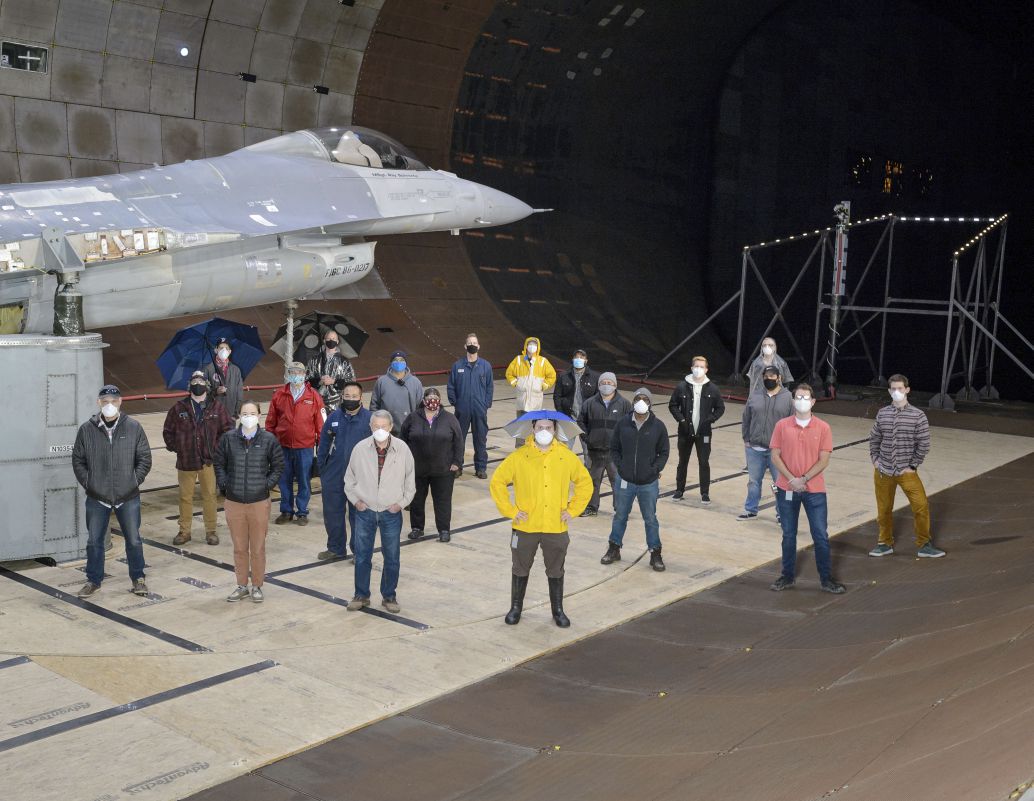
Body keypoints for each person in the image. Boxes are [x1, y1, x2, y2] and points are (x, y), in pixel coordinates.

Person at [490, 416, 593, 627]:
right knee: (520, 567)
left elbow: (585, 483)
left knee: (556, 569)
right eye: (540, 427)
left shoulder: (566, 457)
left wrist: (572, 510)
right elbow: (498, 481)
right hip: (525, 526)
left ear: (555, 430)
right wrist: (510, 510)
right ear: (533, 429)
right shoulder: (520, 457)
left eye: (548, 427)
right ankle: (516, 607)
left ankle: (558, 610)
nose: (544, 431)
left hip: (555, 526)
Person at [73, 384, 153, 598]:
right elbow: (78, 460)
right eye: (105, 401)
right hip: (97, 497)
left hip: (127, 497)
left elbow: (144, 457)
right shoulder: (86, 429)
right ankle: (93, 580)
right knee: (94, 541)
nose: (110, 405)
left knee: (134, 539)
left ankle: (138, 578)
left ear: (120, 402)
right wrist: (90, 483)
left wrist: (133, 481)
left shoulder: (133, 427)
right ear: (99, 402)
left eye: (114, 401)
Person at [769, 383, 845, 593]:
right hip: (787, 488)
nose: (801, 401)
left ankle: (826, 578)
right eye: (798, 397)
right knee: (788, 534)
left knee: (820, 534)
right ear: (793, 401)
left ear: (813, 402)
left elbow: (824, 459)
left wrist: (803, 478)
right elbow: (775, 455)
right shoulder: (782, 426)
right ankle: (787, 576)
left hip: (815, 491)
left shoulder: (823, 427)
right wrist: (791, 479)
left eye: (805, 398)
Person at [344, 410, 416, 614]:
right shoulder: (360, 449)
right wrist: (356, 501)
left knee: (392, 556)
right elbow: (349, 480)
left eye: (384, 427)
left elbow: (410, 482)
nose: (380, 431)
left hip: (391, 512)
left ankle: (389, 596)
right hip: (365, 511)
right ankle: (361, 595)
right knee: (362, 556)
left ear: (391, 427)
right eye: (376, 427)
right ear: (370, 427)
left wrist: (401, 504)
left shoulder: (402, 450)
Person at [214, 402, 285, 602]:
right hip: (234, 501)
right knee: (239, 547)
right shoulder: (228, 439)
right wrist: (225, 484)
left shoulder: (269, 439)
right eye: (245, 413)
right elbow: (219, 463)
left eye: (252, 413)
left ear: (259, 415)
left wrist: (266, 485)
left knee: (258, 547)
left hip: (259, 502)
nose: (248, 416)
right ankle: (241, 585)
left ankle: (257, 585)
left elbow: (278, 465)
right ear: (238, 416)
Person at [868, 374, 944, 558]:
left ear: (907, 390)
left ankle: (924, 544)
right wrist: (875, 459)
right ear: (889, 391)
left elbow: (924, 444)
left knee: (921, 506)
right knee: (884, 509)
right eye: (893, 389)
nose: (896, 392)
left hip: (906, 471)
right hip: (883, 470)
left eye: (900, 388)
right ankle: (884, 543)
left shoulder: (918, 416)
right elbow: (875, 437)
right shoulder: (882, 413)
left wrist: (913, 465)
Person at [600, 387, 670, 572]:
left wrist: (654, 469)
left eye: (644, 399)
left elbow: (664, 452)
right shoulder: (623, 423)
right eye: (637, 398)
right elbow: (614, 448)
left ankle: (655, 553)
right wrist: (621, 467)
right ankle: (614, 548)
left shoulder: (658, 426)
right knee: (620, 516)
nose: (640, 401)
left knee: (650, 519)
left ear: (650, 403)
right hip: (625, 480)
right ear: (633, 402)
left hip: (648, 482)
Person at [163, 371, 233, 546]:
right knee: (185, 497)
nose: (197, 383)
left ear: (207, 386)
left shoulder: (217, 407)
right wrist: (178, 448)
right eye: (194, 380)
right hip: (186, 461)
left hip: (208, 461)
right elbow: (168, 431)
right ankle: (184, 531)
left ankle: (211, 531)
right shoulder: (179, 408)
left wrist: (217, 451)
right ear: (189, 385)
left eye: (201, 380)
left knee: (209, 495)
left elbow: (227, 430)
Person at [316, 381, 372, 560]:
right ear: (342, 396)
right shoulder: (333, 417)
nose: (350, 399)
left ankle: (359, 552)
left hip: (359, 478)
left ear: (361, 398)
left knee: (359, 516)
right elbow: (323, 444)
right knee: (332, 513)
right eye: (347, 396)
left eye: (354, 396)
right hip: (334, 475)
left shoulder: (369, 420)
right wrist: (323, 471)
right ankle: (335, 548)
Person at [401, 388, 463, 542]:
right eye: (429, 397)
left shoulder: (450, 419)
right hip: (417, 469)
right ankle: (417, 528)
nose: (432, 400)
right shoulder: (412, 418)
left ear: (440, 400)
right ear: (423, 400)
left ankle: (444, 530)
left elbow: (459, 441)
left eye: (435, 397)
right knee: (416, 500)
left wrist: (457, 462)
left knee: (442, 501)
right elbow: (402, 440)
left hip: (443, 470)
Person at [265, 361, 324, 525]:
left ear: (304, 375)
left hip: (305, 447)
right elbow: (270, 422)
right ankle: (286, 511)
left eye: (299, 372)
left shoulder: (314, 396)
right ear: (287, 374)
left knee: (304, 480)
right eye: (292, 371)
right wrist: (270, 443)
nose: (296, 374)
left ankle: (302, 512)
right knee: (284, 480)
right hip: (282, 446)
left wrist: (321, 446)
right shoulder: (279, 395)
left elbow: (321, 424)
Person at [738, 365, 793, 521]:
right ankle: (751, 510)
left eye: (772, 376)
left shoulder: (787, 397)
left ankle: (782, 514)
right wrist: (746, 439)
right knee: (754, 481)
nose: (769, 379)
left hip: (777, 451)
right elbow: (746, 418)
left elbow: (792, 423)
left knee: (780, 483)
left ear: (779, 378)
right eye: (766, 376)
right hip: (754, 448)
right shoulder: (754, 395)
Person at [669, 356, 725, 503]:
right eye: (696, 366)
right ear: (691, 368)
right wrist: (681, 420)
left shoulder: (712, 388)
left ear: (706, 369)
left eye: (701, 367)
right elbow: (673, 405)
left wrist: (710, 419)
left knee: (704, 462)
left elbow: (720, 408)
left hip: (704, 433)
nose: (698, 369)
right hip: (685, 432)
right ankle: (679, 490)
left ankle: (704, 493)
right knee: (683, 462)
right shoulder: (682, 386)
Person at [577, 372, 631, 516]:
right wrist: (587, 437)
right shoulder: (589, 403)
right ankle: (591, 507)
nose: (607, 385)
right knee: (593, 481)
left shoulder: (624, 404)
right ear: (599, 384)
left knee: (618, 481)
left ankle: (620, 509)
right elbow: (580, 422)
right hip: (595, 451)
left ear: (615, 385)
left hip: (615, 453)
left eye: (610, 383)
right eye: (604, 382)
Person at [447, 332, 493, 479]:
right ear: (465, 346)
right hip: (462, 409)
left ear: (478, 346)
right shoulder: (457, 365)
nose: (472, 345)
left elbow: (489, 387)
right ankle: (457, 467)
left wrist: (485, 404)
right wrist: (456, 403)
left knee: (480, 438)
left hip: (480, 409)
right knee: (458, 439)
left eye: (474, 342)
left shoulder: (485, 366)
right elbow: (451, 386)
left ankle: (480, 468)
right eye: (470, 343)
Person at [554, 349, 599, 458]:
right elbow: (557, 396)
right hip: (568, 418)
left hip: (586, 421)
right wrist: (561, 414)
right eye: (576, 357)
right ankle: (564, 473)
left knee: (588, 451)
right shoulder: (563, 376)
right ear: (572, 360)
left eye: (582, 357)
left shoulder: (595, 377)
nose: (579, 359)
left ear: (586, 361)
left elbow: (598, 398)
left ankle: (589, 471)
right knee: (564, 451)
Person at [370, 350, 423, 435]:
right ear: (391, 363)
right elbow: (374, 406)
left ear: (406, 363)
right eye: (395, 360)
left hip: (410, 431)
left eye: (402, 360)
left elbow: (420, 408)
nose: (399, 362)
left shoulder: (415, 382)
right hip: (386, 431)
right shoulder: (381, 381)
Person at [305, 329, 355, 412]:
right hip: (318, 403)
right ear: (324, 340)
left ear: (337, 341)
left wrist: (334, 381)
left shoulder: (344, 361)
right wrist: (319, 381)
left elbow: (351, 382)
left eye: (334, 339)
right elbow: (306, 380)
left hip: (338, 403)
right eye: (328, 339)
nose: (331, 341)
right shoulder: (314, 360)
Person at [505, 336, 556, 413]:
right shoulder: (518, 359)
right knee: (521, 423)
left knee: (534, 423)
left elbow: (552, 375)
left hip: (536, 400)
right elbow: (509, 373)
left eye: (535, 345)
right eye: (530, 344)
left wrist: (544, 385)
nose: (532, 346)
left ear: (538, 347)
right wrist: (516, 383)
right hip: (522, 399)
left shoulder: (543, 361)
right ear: (526, 346)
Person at [204, 337, 244, 419]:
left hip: (230, 415)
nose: (224, 350)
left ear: (230, 351)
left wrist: (235, 413)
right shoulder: (208, 369)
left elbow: (239, 393)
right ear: (216, 350)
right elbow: (204, 392)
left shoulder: (235, 370)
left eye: (226, 348)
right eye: (221, 348)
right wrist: (215, 391)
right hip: (213, 416)